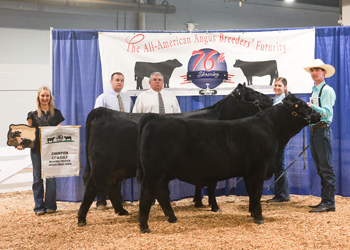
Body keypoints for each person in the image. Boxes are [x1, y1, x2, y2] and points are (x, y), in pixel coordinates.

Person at [16, 86, 65, 215]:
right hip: (36, 150)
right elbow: (29, 133)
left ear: (50, 98)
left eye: (47, 96)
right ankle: (38, 207)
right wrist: (21, 144)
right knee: (37, 178)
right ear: (38, 97)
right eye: (42, 95)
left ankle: (50, 206)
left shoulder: (57, 113)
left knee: (51, 178)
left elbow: (60, 132)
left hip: (51, 150)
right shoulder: (32, 114)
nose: (45, 98)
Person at [94, 72, 134, 210]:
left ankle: (118, 199)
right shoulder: (103, 98)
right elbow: (96, 119)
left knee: (119, 170)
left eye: (122, 80)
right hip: (107, 139)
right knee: (102, 169)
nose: (120, 83)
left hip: (123, 139)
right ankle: (101, 201)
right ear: (111, 81)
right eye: (117, 80)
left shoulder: (128, 99)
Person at [305, 59, 336, 213]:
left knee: (326, 167)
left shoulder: (327, 90)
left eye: (317, 70)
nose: (313, 72)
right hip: (315, 131)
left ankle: (329, 202)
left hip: (322, 130)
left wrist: (312, 107)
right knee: (320, 168)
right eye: (312, 70)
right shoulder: (314, 90)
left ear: (324, 72)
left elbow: (327, 113)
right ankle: (325, 200)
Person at [267, 77, 291, 203]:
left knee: (279, 165)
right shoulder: (275, 100)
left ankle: (282, 195)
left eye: (279, 86)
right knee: (277, 165)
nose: (276, 87)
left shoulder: (283, 101)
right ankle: (281, 194)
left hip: (278, 137)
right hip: (274, 137)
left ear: (285, 87)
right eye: (275, 85)